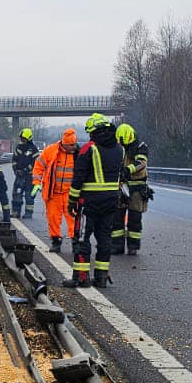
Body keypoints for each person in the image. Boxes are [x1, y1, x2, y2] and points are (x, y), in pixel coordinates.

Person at [66, 114, 123, 288]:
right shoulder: (120, 149)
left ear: (93, 131)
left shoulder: (88, 149)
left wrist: (72, 200)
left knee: (82, 238)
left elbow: (78, 178)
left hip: (88, 203)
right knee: (104, 239)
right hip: (111, 202)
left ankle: (81, 278)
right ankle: (101, 278)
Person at [34, 128, 78, 251]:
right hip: (53, 192)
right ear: (64, 144)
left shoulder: (78, 154)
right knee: (53, 218)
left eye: (74, 144)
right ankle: (55, 241)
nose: (73, 147)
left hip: (71, 193)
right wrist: (36, 182)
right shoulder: (50, 151)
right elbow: (38, 166)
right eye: (71, 145)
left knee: (73, 219)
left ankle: (76, 242)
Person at [117, 123, 151, 256]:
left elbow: (141, 163)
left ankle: (133, 246)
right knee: (117, 217)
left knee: (134, 218)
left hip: (137, 187)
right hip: (122, 186)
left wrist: (128, 170)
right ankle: (117, 245)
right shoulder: (119, 148)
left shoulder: (141, 147)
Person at [10, 129, 40, 216]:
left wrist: (26, 170)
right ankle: (15, 212)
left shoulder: (33, 149)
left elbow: (35, 162)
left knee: (29, 195)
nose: (22, 140)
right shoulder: (19, 147)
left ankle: (28, 212)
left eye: (24, 139)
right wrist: (15, 170)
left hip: (29, 176)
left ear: (29, 138)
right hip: (19, 175)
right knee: (17, 193)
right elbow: (14, 159)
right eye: (21, 138)